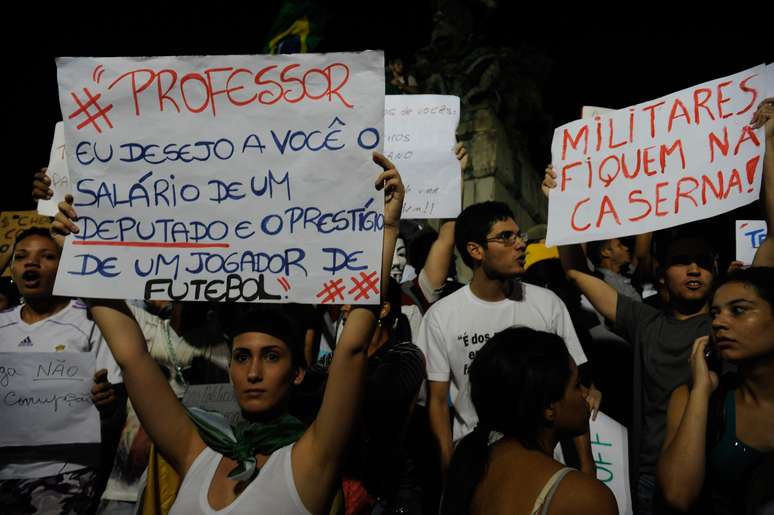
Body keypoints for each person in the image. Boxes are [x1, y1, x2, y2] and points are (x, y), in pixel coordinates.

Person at [51, 152, 404, 515]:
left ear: (298, 372)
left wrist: (387, 229)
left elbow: (352, 349)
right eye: (241, 356)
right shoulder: (195, 455)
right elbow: (131, 355)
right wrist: (80, 259)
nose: (253, 372)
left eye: (271, 356)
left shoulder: (312, 461)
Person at [542, 96, 774, 513]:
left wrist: (770, 144)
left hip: (727, 471)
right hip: (651, 475)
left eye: (702, 262)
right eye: (681, 262)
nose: (693, 270)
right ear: (661, 274)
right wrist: (561, 201)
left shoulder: (738, 326)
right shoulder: (644, 320)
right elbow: (577, 271)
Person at [416, 200, 599, 478]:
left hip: (546, 465)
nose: (520, 244)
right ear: (475, 250)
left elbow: (574, 388)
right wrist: (448, 470)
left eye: (519, 235)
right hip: (477, 467)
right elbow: (438, 403)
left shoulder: (548, 305)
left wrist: (586, 464)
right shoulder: (441, 316)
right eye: (505, 237)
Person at [0, 227, 124, 515]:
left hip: (66, 473)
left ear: (65, 266)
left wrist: (106, 404)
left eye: (46, 257)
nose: (31, 264)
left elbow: (115, 404)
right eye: (21, 257)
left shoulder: (90, 321)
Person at [440, 327, 618, 515]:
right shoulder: (587, 498)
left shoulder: (468, 465)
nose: (586, 394)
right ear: (549, 409)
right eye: (576, 385)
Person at [657, 267, 774, 514]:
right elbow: (678, 495)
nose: (718, 323)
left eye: (738, 310)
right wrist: (701, 389)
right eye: (714, 313)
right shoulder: (691, 397)